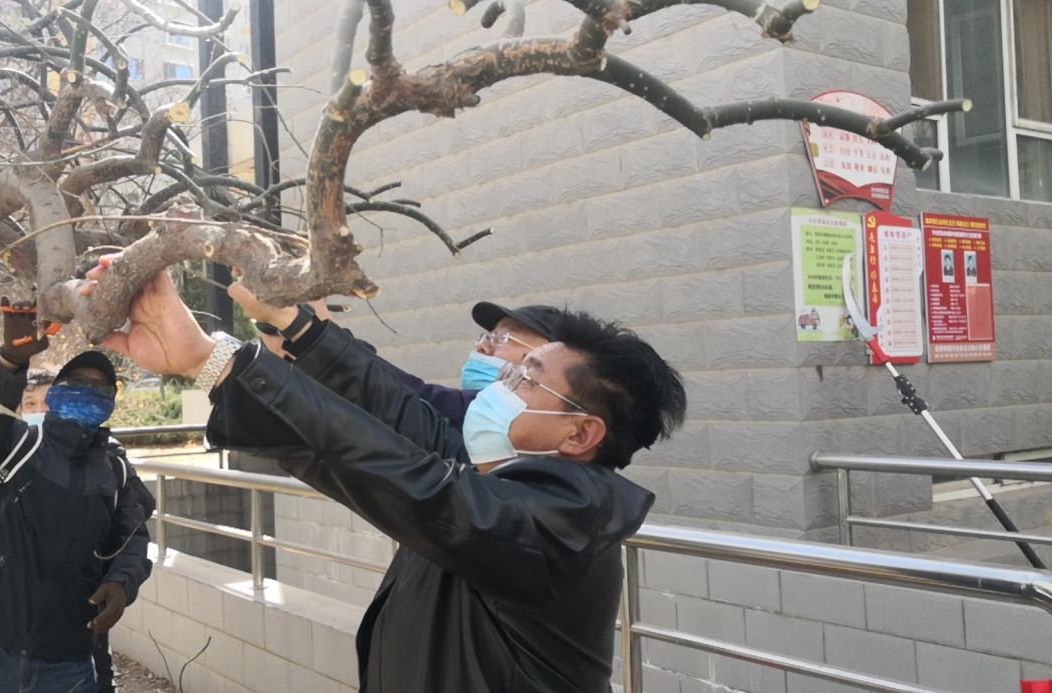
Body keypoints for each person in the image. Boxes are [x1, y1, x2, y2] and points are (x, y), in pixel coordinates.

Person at [86, 266, 686, 691]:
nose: (499, 383)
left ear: (580, 434)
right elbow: (401, 416)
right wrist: (299, 329)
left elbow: (408, 477)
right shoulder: (503, 480)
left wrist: (216, 361)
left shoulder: (560, 522)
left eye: (525, 378)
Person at [0, 301, 153, 693]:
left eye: (100, 388)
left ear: (111, 403)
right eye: (77, 383)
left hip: (66, 660)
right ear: (56, 394)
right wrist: (8, 362)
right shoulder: (16, 445)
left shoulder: (116, 471)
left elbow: (132, 540)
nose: (88, 391)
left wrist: (122, 583)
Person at [259, 301, 565, 428]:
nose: (482, 346)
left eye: (503, 337)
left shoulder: (510, 426)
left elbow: (409, 400)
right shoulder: (483, 413)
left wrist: (318, 336)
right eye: (487, 336)